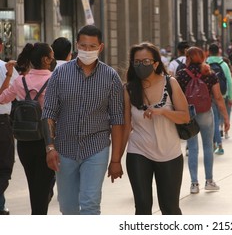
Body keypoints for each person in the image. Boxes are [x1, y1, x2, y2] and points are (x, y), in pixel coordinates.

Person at [42, 25, 124, 215]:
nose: (87, 50)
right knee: (68, 207)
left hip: (96, 147)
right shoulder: (60, 75)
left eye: (92, 46)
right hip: (64, 149)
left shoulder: (111, 77)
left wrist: (116, 159)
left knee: (90, 204)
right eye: (84, 46)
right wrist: (50, 148)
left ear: (100, 47)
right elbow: (48, 113)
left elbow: (118, 120)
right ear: (77, 46)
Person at [110, 42, 189, 215]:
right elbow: (125, 127)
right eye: (136, 62)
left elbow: (185, 116)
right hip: (139, 151)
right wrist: (115, 160)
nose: (141, 65)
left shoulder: (171, 83)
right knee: (143, 206)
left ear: (155, 63)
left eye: (146, 61)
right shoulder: (129, 89)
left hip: (169, 153)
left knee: (170, 207)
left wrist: (162, 112)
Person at [0, 43, 55, 215]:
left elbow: (2, 99)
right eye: (51, 56)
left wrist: (9, 76)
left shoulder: (20, 80)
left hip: (24, 142)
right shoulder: (54, 80)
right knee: (43, 189)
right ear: (46, 59)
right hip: (46, 142)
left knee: (34, 186)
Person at [176, 47, 230, 194]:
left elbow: (176, 97)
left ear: (187, 57)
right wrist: (226, 118)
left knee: (192, 148)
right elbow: (218, 98)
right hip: (206, 111)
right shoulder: (209, 73)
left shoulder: (181, 75)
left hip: (189, 114)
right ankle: (209, 181)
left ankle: (194, 184)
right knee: (208, 146)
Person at [206, 43, 232, 155]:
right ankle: (219, 144)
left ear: (208, 52)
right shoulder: (223, 64)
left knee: (213, 121)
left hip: (210, 96)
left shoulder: (206, 64)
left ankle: (214, 143)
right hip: (222, 95)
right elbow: (229, 81)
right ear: (219, 51)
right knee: (217, 120)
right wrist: (231, 96)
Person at [0, 59, 18, 215]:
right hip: (2, 123)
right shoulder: (4, 67)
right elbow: (20, 90)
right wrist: (8, 75)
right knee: (5, 167)